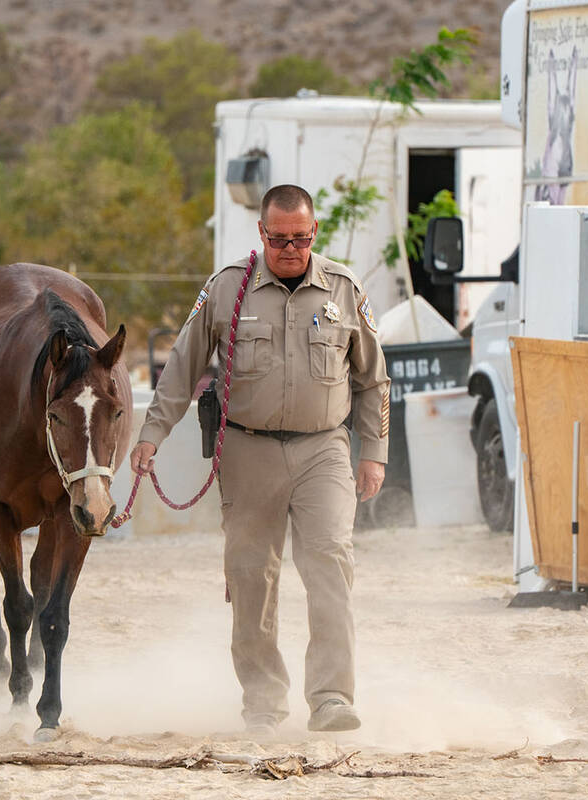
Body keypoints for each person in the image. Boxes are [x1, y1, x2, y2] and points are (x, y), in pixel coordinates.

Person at [130, 184, 390, 736]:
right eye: (279, 239)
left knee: (330, 566)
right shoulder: (227, 289)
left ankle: (332, 699)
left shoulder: (343, 289)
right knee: (251, 577)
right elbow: (181, 366)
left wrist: (375, 455)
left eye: (300, 238)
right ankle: (264, 702)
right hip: (247, 452)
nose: (291, 248)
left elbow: (373, 379)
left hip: (324, 449)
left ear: (314, 233)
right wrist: (151, 434)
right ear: (262, 234)